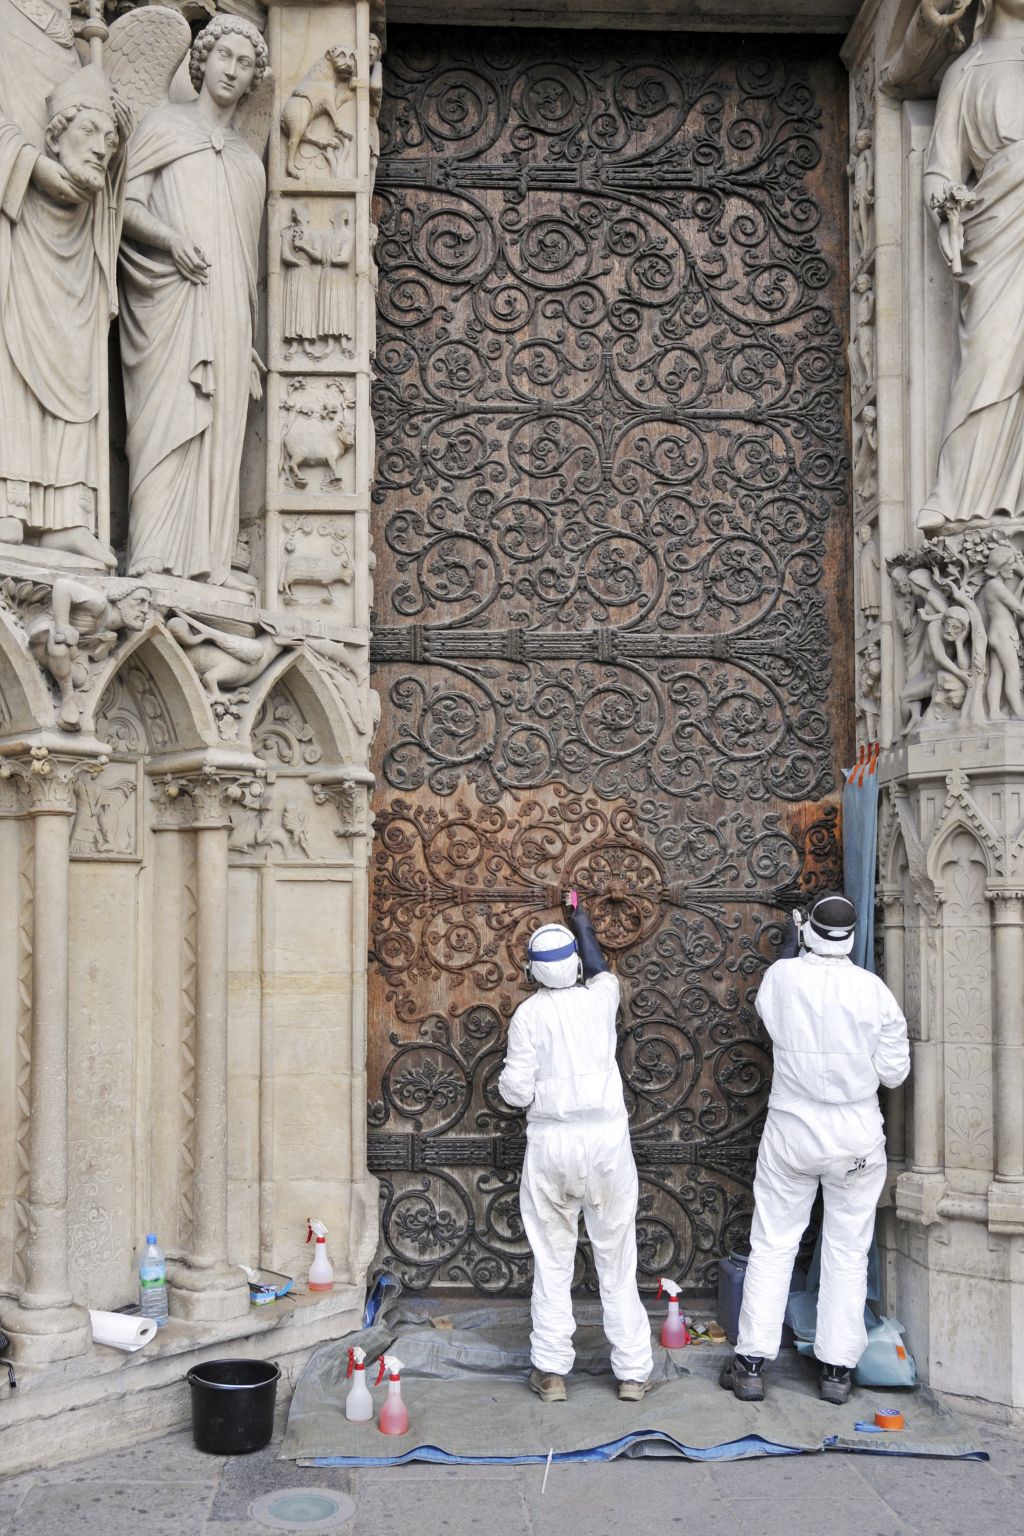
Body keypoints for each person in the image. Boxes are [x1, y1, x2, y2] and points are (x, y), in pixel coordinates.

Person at [719, 892, 909, 1406]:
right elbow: (895, 1072)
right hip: (855, 1137)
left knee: (774, 1242)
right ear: (851, 938)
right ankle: (836, 1371)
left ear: (809, 932)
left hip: (793, 1129)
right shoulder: (874, 992)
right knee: (847, 1250)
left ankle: (752, 1364)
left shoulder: (782, 980)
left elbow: (769, 1016)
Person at [119, 16, 268, 588]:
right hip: (170, 300)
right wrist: (171, 240)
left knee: (223, 432)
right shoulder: (163, 126)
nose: (232, 70)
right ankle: (153, 550)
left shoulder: (249, 164)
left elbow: (248, 267)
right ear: (202, 60)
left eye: (246, 63)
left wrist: (251, 338)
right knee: (166, 419)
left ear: (255, 78)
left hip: (228, 315)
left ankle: (207, 559)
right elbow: (122, 208)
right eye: (224, 56)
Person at [498, 901, 653, 1404]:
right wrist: (580, 920)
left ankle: (550, 1372)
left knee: (552, 1258)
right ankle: (631, 1373)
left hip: (552, 1145)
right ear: (575, 966)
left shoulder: (527, 1016)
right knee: (617, 1257)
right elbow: (603, 968)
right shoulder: (600, 998)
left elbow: (516, 1093)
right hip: (606, 1143)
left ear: (532, 970)